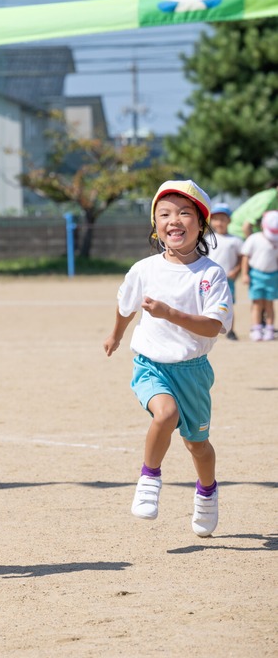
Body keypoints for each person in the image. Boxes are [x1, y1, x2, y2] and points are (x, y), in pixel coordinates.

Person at [103, 181, 231, 538]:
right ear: (155, 227)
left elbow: (212, 326)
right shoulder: (144, 269)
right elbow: (126, 304)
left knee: (198, 446)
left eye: (185, 213)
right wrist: (116, 333)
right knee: (166, 413)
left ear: (201, 224)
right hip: (151, 365)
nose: (175, 220)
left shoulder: (211, 274)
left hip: (193, 371)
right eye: (165, 214)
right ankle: (149, 477)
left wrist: (169, 313)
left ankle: (206, 493)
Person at [240, 210, 278, 342]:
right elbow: (245, 257)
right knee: (257, 304)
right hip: (256, 274)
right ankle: (256, 328)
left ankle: (269, 328)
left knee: (269, 304)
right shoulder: (254, 239)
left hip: (273, 275)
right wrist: (245, 274)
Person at [207, 203, 244, 340]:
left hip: (228, 278)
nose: (219, 222)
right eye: (216, 219)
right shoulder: (207, 239)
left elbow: (241, 258)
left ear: (229, 220)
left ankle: (231, 330)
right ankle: (206, 328)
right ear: (211, 221)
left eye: (223, 219)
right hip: (209, 278)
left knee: (228, 304)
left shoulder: (235, 240)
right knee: (207, 302)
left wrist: (236, 270)